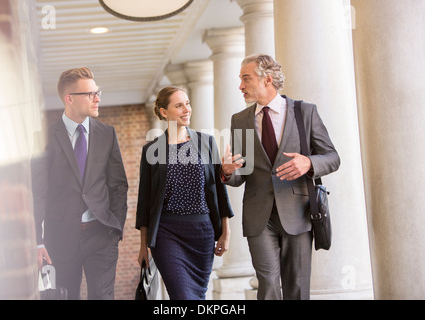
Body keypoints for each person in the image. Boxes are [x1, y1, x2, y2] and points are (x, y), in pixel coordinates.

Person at [221, 54, 340, 300]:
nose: (240, 86)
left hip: (298, 212)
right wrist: (226, 171)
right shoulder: (240, 120)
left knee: (297, 286)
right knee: (267, 285)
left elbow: (332, 157)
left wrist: (308, 162)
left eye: (246, 78)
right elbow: (241, 173)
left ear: (268, 79)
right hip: (259, 217)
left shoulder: (304, 112)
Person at [31, 67, 128, 300]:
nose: (97, 98)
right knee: (64, 296)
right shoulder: (43, 138)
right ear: (69, 99)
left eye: (98, 92)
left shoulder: (107, 134)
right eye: (90, 94)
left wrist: (115, 227)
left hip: (101, 234)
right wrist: (37, 241)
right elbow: (38, 193)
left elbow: (118, 185)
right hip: (60, 238)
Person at [136, 86, 233, 300]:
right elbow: (145, 201)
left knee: (197, 297)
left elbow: (218, 189)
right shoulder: (152, 150)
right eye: (178, 105)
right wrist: (143, 246)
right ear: (163, 112)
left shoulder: (206, 142)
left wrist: (226, 231)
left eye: (187, 103)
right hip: (167, 233)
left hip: (202, 232)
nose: (186, 109)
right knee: (182, 296)